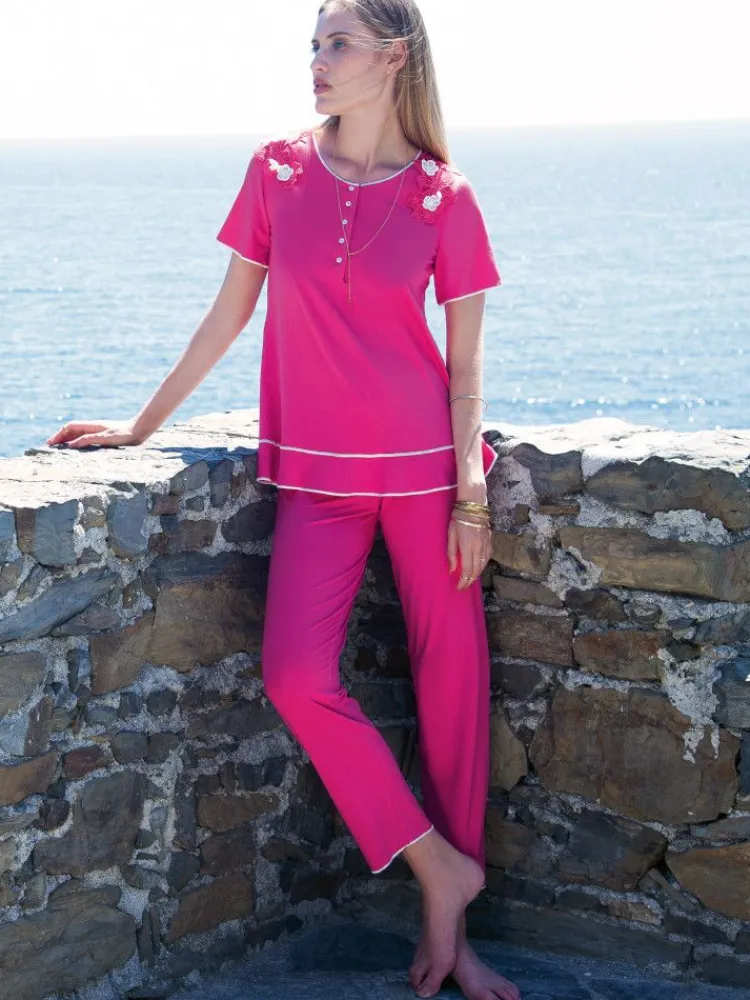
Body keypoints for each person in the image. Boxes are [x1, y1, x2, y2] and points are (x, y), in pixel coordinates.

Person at [46, 2, 518, 998]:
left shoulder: (445, 196)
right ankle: (438, 863)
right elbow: (229, 314)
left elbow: (467, 364)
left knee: (453, 690)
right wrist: (141, 425)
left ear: (392, 58)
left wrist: (471, 493)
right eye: (313, 44)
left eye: (337, 43)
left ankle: (452, 929)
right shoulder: (278, 171)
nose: (316, 60)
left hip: (429, 473)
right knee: (297, 675)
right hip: (318, 476)